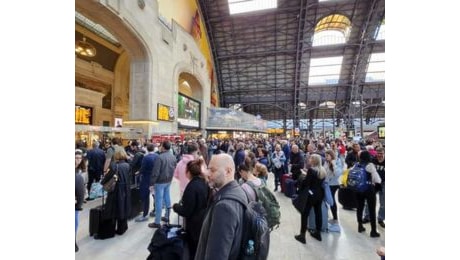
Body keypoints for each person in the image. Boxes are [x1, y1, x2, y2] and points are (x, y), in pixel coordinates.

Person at [195, 153, 247, 260]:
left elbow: (216, 255)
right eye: (208, 169)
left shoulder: (224, 207)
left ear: (228, 171)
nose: (207, 173)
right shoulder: (237, 191)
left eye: (213, 170)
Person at [172, 159, 210, 260]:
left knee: (193, 250)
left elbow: (186, 211)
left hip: (194, 225)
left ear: (188, 172)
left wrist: (176, 207)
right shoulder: (204, 182)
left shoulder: (192, 187)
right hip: (203, 220)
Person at [294, 154, 326, 244]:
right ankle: (318, 233)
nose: (309, 159)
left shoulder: (311, 170)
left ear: (314, 160)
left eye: (311, 158)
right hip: (320, 194)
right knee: (318, 212)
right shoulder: (322, 170)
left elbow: (306, 183)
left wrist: (303, 175)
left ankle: (302, 235)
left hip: (311, 195)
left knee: (304, 214)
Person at [102, 146, 132, 235]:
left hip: (116, 190)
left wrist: (103, 182)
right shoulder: (127, 165)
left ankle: (110, 230)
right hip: (126, 189)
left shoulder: (114, 165)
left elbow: (107, 178)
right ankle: (122, 228)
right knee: (123, 208)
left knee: (113, 209)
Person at [148, 141, 177, 228]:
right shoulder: (173, 157)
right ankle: (167, 216)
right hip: (168, 180)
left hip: (160, 182)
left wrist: (151, 183)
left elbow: (155, 172)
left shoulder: (159, 157)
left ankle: (157, 222)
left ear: (163, 147)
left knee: (158, 201)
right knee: (167, 197)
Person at [355, 151, 382, 238]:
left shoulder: (357, 164)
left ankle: (360, 226)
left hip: (359, 189)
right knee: (371, 210)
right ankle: (373, 231)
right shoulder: (370, 165)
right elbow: (378, 180)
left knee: (360, 207)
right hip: (369, 190)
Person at [134, 144, 158, 222]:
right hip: (155, 179)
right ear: (154, 149)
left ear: (147, 149)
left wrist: (138, 172)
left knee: (145, 196)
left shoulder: (146, 158)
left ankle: (145, 215)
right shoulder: (157, 156)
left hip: (146, 179)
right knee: (155, 196)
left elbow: (143, 168)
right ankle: (155, 211)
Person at [75, 150, 86, 252]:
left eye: (79, 158)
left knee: (76, 222)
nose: (77, 160)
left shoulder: (81, 169)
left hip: (78, 199)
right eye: (76, 158)